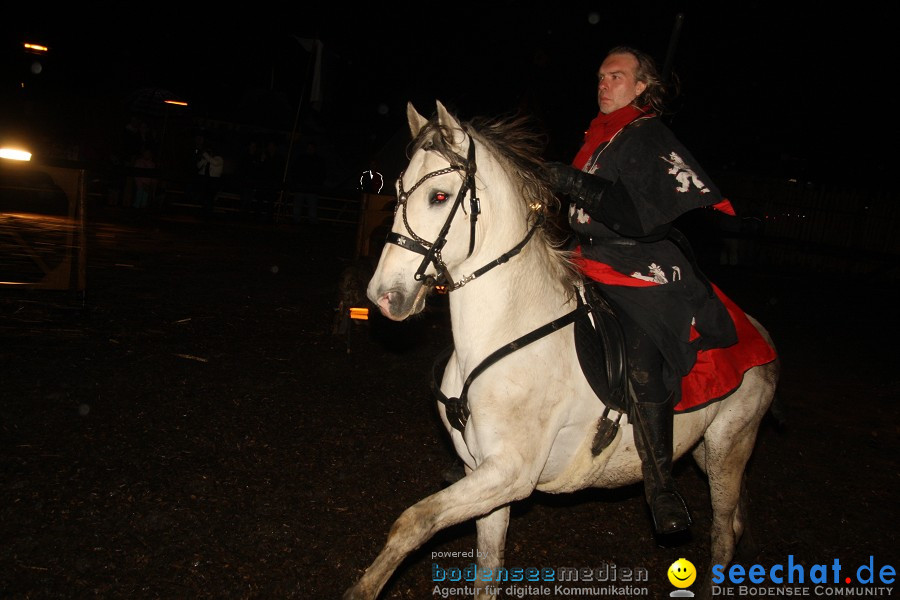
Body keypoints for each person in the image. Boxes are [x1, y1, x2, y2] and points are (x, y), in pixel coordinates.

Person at [547, 47, 744, 536]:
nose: (604, 83)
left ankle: (660, 486)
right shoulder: (601, 136)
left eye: (617, 76)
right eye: (600, 76)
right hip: (585, 256)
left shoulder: (648, 136)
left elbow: (635, 215)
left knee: (641, 352)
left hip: (637, 264)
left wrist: (568, 180)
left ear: (641, 87)